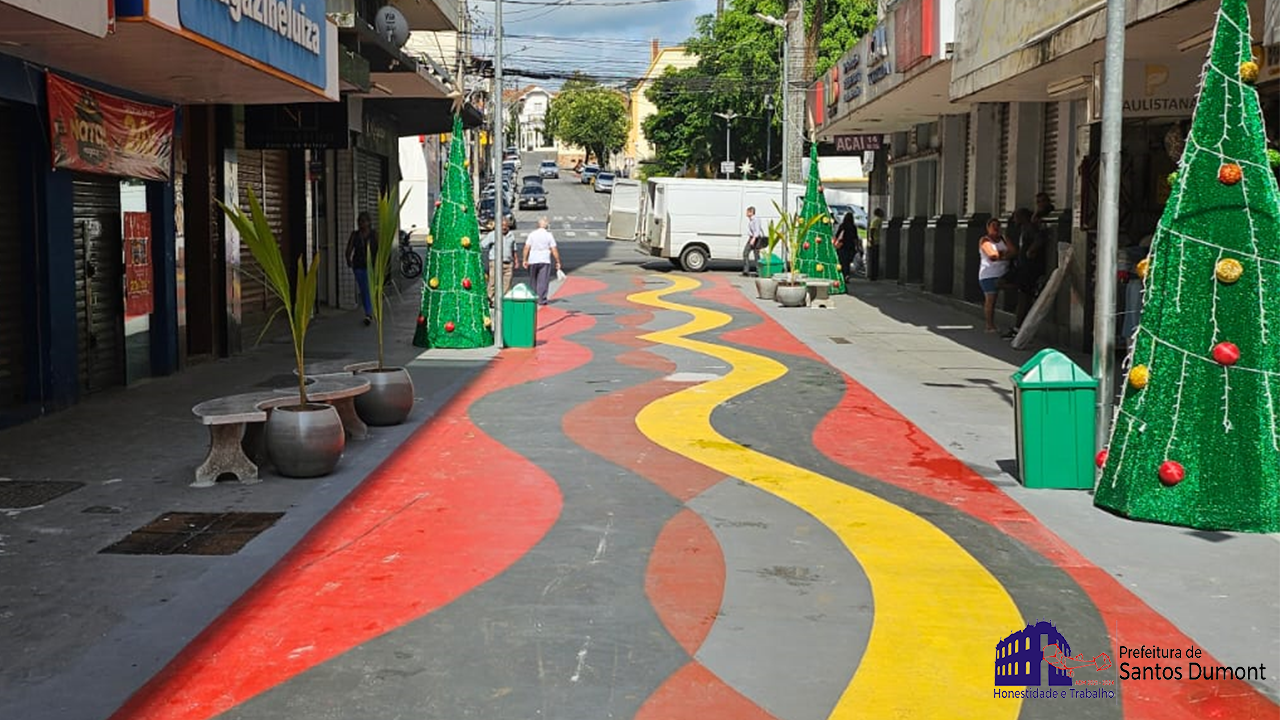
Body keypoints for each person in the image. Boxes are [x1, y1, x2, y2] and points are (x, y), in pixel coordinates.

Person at [1005, 207, 1044, 338]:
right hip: (1023, 267)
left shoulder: (1030, 228)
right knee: (1021, 295)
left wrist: (1030, 251)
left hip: (1029, 268)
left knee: (1024, 297)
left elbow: (1039, 239)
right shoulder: (1023, 229)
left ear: (1022, 217)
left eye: (1016, 216)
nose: (1014, 219)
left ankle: (1018, 327)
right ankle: (1018, 325)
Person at [979, 217, 1017, 334]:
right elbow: (992, 255)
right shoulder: (985, 240)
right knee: (991, 300)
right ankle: (989, 325)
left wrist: (1001, 255)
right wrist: (1005, 255)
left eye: (998, 225)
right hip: (989, 275)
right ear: (988, 228)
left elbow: (1014, 251)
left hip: (1004, 274)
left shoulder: (1004, 239)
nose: (996, 228)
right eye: (993, 225)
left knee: (1016, 290)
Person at [522, 217, 562, 305]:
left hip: (533, 259)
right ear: (546, 225)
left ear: (538, 225)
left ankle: (533, 297)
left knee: (533, 280)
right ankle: (542, 299)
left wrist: (525, 259)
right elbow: (553, 249)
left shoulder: (532, 234)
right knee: (543, 280)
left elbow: (526, 247)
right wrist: (558, 261)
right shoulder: (549, 235)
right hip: (544, 260)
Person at [345, 211, 374, 325]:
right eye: (360, 221)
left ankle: (369, 312)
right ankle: (368, 313)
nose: (361, 224)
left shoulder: (373, 234)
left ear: (369, 222)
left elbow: (378, 249)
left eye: (364, 221)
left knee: (367, 289)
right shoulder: (355, 235)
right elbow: (349, 248)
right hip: (359, 266)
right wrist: (349, 260)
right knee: (364, 289)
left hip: (371, 266)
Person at [482, 218, 518, 307]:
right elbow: (482, 245)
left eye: (506, 226)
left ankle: (501, 300)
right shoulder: (493, 235)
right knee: (493, 282)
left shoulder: (511, 235)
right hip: (495, 262)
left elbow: (514, 249)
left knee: (507, 283)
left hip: (508, 263)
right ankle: (488, 299)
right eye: (502, 226)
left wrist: (516, 260)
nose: (504, 228)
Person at [833, 212, 859, 281]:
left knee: (842, 261)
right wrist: (857, 246)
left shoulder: (842, 226)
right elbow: (855, 238)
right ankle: (847, 275)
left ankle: (841, 275)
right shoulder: (853, 227)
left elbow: (837, 236)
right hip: (850, 246)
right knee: (847, 262)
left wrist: (835, 244)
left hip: (842, 246)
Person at [742, 206, 765, 276]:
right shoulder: (751, 220)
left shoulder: (756, 220)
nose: (746, 213)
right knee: (746, 253)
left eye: (747, 212)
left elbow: (757, 231)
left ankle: (759, 271)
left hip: (756, 238)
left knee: (756, 255)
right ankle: (746, 270)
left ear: (751, 212)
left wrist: (753, 239)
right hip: (752, 238)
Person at [866, 208, 884, 281]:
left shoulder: (876, 220)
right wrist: (872, 240)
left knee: (874, 260)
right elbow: (872, 230)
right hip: (875, 242)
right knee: (874, 260)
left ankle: (873, 275)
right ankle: (873, 275)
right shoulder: (877, 220)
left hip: (875, 242)